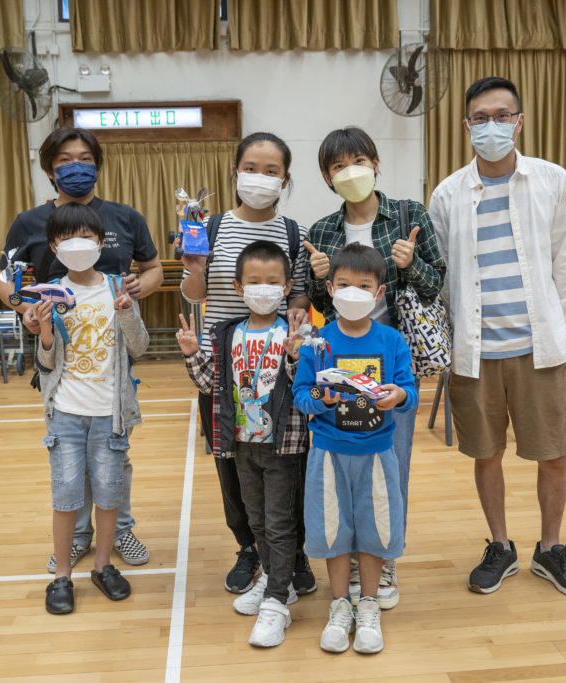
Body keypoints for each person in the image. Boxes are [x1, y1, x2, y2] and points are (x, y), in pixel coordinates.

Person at [427, 76, 566, 598]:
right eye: (481, 118)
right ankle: (500, 546)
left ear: (519, 122)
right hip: (475, 352)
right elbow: (441, 275)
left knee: (553, 453)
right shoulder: (447, 194)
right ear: (466, 126)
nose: (491, 126)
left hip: (538, 349)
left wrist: (553, 326)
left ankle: (550, 548)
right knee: (486, 454)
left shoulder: (552, 180)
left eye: (502, 115)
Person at [0, 126, 161, 574]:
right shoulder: (28, 222)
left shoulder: (124, 217)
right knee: (70, 458)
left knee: (113, 457)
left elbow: (154, 270)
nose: (76, 166)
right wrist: (26, 309)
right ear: (50, 169)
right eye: (65, 160)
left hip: (113, 357)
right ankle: (78, 537)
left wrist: (133, 294)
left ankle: (120, 529)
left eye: (85, 158)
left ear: (98, 164)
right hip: (61, 357)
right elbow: (4, 278)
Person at [304, 127, 445, 609]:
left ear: (376, 163)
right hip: (340, 365)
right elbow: (324, 303)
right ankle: (346, 560)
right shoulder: (322, 231)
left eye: (359, 161)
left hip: (391, 360)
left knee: (391, 466)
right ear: (327, 177)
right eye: (339, 166)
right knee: (341, 463)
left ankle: (383, 562)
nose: (351, 172)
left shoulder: (409, 214)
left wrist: (410, 264)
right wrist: (319, 279)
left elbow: (435, 283)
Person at [179, 132, 316, 596]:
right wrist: (196, 266)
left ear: (285, 179)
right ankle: (249, 548)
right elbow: (194, 293)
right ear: (235, 172)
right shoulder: (209, 227)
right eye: (251, 168)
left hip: (280, 370)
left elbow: (300, 293)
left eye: (271, 171)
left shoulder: (294, 233)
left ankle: (293, 551)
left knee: (288, 467)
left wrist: (296, 313)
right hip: (224, 369)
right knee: (232, 468)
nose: (260, 177)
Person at [176, 241, 309, 647]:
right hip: (241, 445)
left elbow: (305, 386)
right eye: (254, 281)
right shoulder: (226, 333)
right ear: (238, 287)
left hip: (283, 446)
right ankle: (276, 582)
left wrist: (295, 357)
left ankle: (276, 604)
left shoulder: (296, 332)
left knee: (281, 524)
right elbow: (210, 385)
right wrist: (192, 354)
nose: (263, 288)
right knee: (257, 522)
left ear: (287, 286)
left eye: (272, 281)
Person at [293, 243, 417, 654]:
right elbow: (302, 395)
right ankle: (339, 604)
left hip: (378, 453)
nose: (353, 293)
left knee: (375, 527)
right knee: (333, 528)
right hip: (328, 452)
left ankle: (368, 604)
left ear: (379, 293)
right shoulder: (317, 341)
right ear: (330, 289)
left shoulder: (392, 340)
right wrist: (323, 399)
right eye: (344, 284)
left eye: (364, 286)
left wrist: (398, 395)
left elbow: (409, 392)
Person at [33, 203, 149, 614]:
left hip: (110, 413)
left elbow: (139, 347)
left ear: (101, 243)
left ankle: (103, 566)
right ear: (54, 246)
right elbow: (46, 364)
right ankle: (62, 576)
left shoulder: (118, 287)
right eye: (67, 239)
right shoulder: (51, 293)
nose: (78, 245)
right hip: (65, 412)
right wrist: (45, 332)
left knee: (108, 492)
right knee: (65, 495)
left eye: (86, 237)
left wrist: (127, 314)